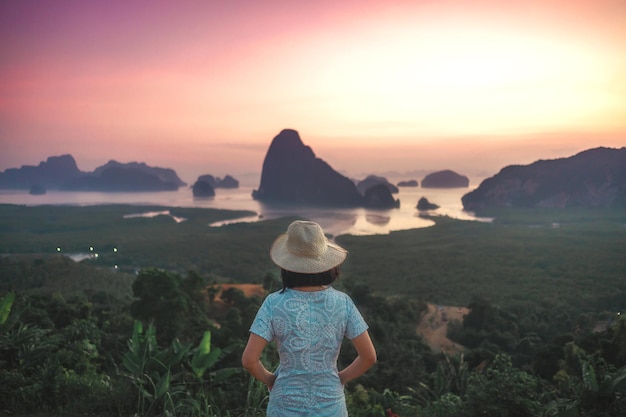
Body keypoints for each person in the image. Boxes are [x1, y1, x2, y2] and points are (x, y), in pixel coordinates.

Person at [242, 220, 377, 416]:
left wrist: (271, 381)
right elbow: (369, 357)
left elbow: (249, 360)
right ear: (327, 265)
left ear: (286, 266)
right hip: (331, 406)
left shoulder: (273, 303)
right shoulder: (343, 302)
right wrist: (340, 379)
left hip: (284, 406)